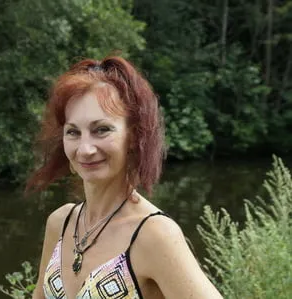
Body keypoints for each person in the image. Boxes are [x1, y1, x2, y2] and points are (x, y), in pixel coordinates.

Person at [26, 56, 222, 299]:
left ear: (133, 136)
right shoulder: (60, 223)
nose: (85, 149)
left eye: (102, 130)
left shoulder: (154, 234)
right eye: (73, 132)